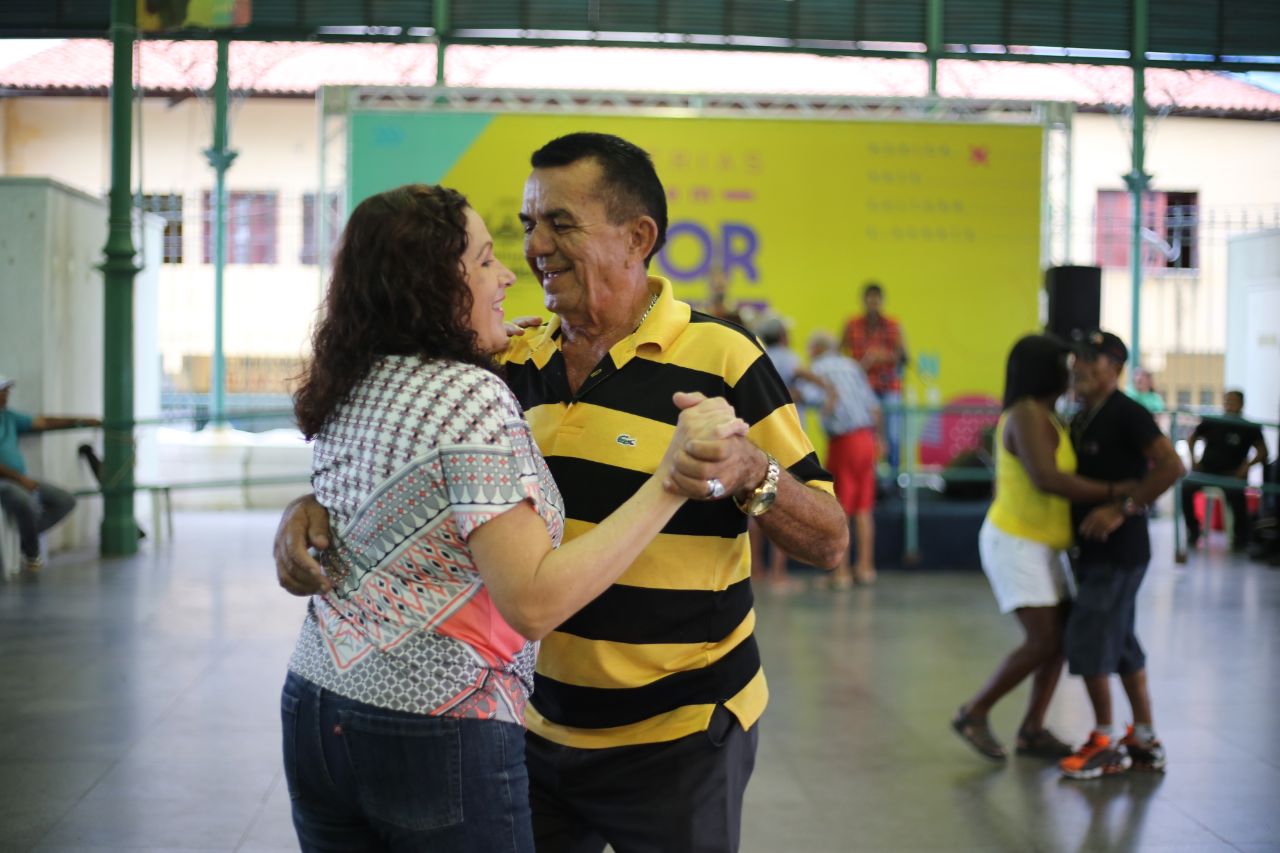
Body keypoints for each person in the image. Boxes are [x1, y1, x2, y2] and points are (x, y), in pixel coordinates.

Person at [275, 133, 849, 853]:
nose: (535, 248)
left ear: (639, 236)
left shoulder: (725, 358)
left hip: (679, 738)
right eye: (525, 228)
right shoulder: (507, 360)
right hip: (529, 730)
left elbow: (830, 537)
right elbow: (402, 460)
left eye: (560, 223)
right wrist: (309, 508)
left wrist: (751, 472)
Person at [951, 335, 1132, 762]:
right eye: (1066, 363)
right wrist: (1115, 490)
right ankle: (974, 712)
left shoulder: (1048, 415)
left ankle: (1032, 729)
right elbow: (1048, 478)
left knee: (1059, 638)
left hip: (1042, 544)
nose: (1074, 370)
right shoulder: (1028, 416)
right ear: (1045, 369)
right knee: (1043, 639)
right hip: (1017, 543)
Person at [1058, 330, 1185, 780]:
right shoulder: (1083, 415)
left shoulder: (1128, 413)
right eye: (1077, 358)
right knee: (1123, 642)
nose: (1079, 366)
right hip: (1095, 551)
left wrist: (1123, 508)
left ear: (1114, 369)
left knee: (1091, 637)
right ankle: (1145, 739)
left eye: (1090, 360)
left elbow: (1172, 465)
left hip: (1120, 551)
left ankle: (1104, 740)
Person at [749, 315, 834, 591]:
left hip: (757, 434)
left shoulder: (756, 351)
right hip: (783, 438)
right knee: (782, 502)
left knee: (754, 504)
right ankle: (778, 573)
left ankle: (756, 569)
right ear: (783, 336)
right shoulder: (788, 357)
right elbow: (804, 376)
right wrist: (828, 389)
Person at [802, 330, 882, 587]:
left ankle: (841, 573)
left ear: (816, 349)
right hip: (866, 439)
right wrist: (879, 440)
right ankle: (866, 568)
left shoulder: (818, 368)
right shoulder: (851, 366)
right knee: (864, 508)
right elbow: (874, 406)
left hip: (843, 443)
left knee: (841, 508)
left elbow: (808, 397)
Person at [0, 375, 100, 573]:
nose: (6, 395)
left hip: (21, 478)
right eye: (3, 391)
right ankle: (31, 551)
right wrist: (21, 479)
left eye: (7, 391)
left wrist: (80, 420)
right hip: (7, 481)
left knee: (65, 500)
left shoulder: (8, 417)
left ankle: (24, 534)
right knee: (24, 501)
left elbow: (44, 421)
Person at [1181, 389, 1269, 552]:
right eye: (1226, 401)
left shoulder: (1248, 427)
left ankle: (1240, 538)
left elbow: (1263, 451)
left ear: (1241, 404)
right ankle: (1193, 530)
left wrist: (1246, 467)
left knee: (1236, 495)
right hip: (1206, 471)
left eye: (1233, 401)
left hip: (1232, 473)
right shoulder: (1213, 421)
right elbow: (1192, 437)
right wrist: (1193, 461)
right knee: (1185, 487)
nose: (1229, 405)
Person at [841, 281, 908, 474]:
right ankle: (871, 480)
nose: (873, 303)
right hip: (861, 389)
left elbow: (903, 357)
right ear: (863, 300)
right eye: (869, 299)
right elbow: (840, 352)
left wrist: (881, 356)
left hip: (889, 388)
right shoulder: (852, 325)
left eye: (876, 299)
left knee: (893, 436)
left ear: (882, 301)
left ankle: (894, 480)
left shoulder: (894, 325)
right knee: (865, 436)